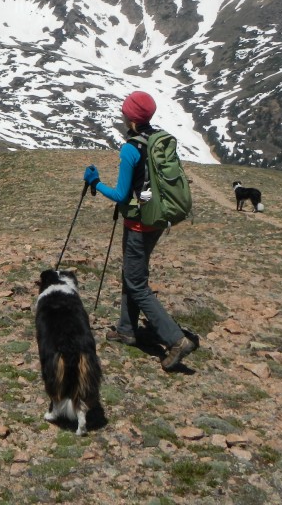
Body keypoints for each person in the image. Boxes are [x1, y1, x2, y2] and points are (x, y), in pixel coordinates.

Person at [82, 90, 198, 372]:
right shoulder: (157, 139)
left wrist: (95, 183)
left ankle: (175, 340)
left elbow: (122, 195)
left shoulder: (131, 148)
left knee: (137, 283)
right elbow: (146, 186)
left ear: (130, 116)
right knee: (133, 274)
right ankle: (126, 329)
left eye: (125, 111)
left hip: (137, 224)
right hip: (155, 220)